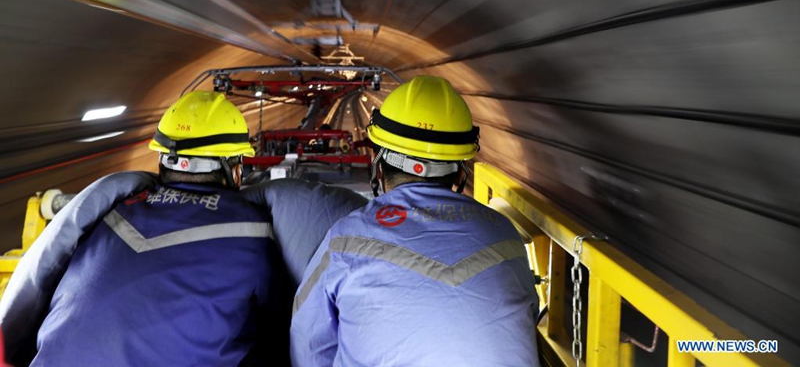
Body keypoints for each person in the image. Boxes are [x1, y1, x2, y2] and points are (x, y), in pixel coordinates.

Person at [1, 91, 278, 366]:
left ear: (162, 160)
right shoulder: (254, 230)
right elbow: (278, 314)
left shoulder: (108, 213)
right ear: (234, 168)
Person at [290, 76, 540, 366]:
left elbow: (309, 342)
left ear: (378, 166)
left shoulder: (346, 240)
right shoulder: (505, 233)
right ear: (461, 172)